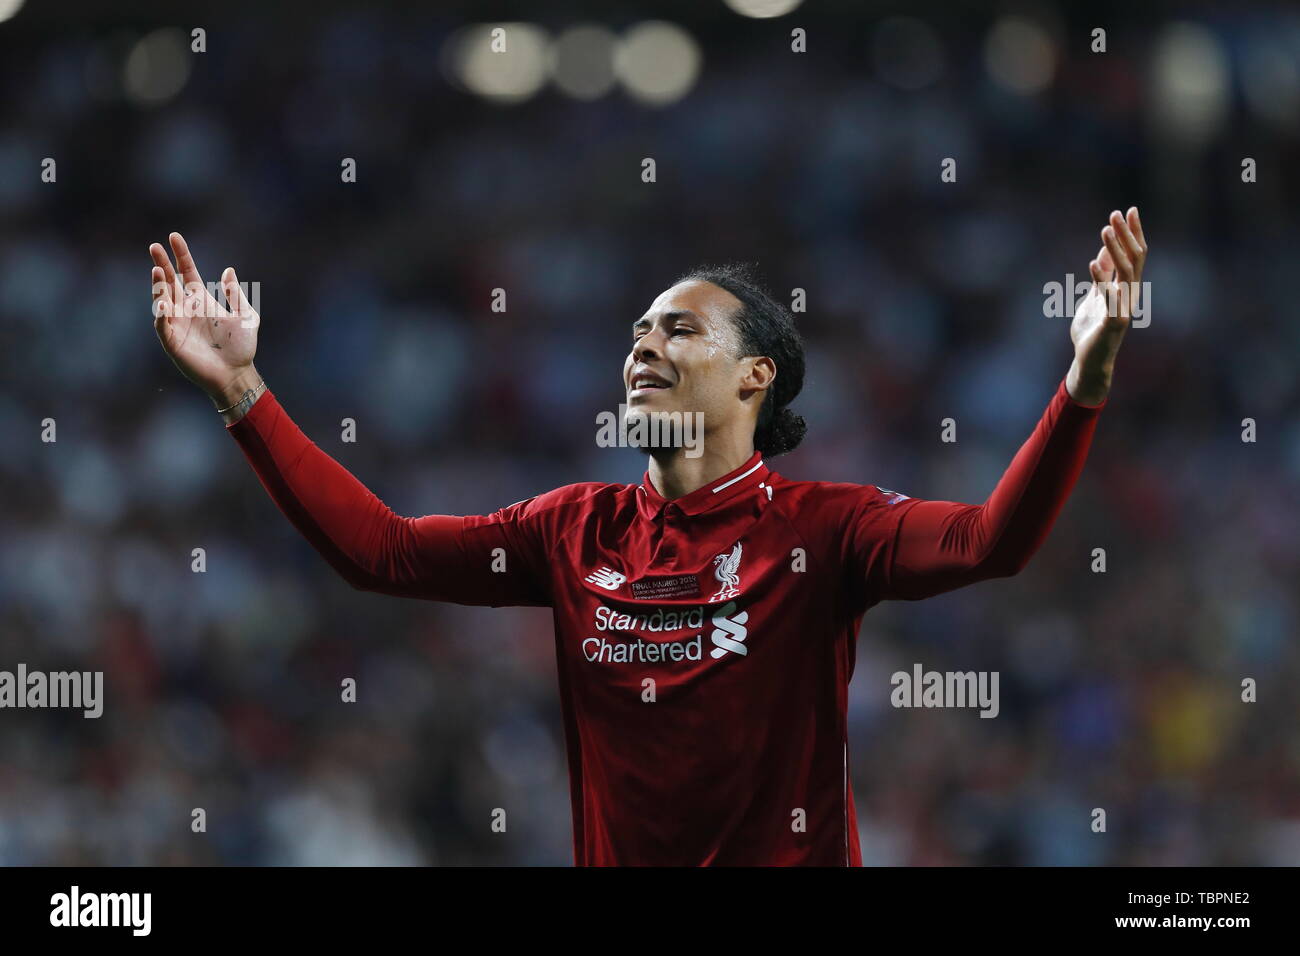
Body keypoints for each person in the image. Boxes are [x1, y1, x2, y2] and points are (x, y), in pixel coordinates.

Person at [148, 208, 1146, 865]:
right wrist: (242, 391)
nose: (642, 345)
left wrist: (1083, 378)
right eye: (636, 330)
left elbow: (989, 540)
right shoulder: (570, 527)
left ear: (756, 375)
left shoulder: (825, 529)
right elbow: (383, 551)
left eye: (677, 330)